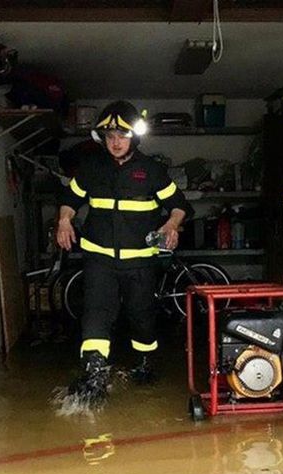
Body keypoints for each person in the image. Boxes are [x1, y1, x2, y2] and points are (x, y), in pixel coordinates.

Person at [56, 100, 193, 404]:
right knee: (96, 312)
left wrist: (171, 225)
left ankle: (144, 363)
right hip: (99, 259)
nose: (115, 143)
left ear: (134, 138)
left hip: (140, 263)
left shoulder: (152, 170)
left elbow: (180, 206)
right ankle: (94, 371)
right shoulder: (91, 168)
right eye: (110, 137)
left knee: (141, 316)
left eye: (121, 136)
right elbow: (70, 197)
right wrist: (65, 219)